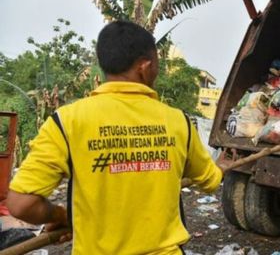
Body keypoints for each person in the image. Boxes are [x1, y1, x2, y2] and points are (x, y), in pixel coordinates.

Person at [7, 21, 232, 254]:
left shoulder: (67, 121)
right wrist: (222, 167)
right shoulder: (178, 122)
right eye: (157, 63)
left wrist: (62, 215)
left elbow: (22, 203)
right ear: (144, 67)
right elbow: (209, 181)